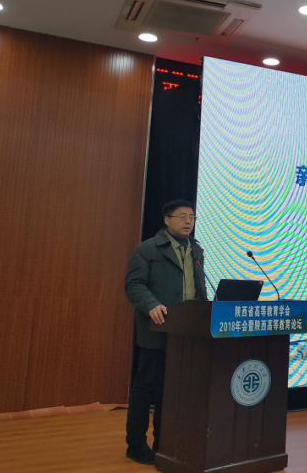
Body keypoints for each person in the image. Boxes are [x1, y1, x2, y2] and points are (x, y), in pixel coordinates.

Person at [124, 199, 209, 465]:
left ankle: (164, 443)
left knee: (171, 390)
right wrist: (151, 305)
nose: (188, 221)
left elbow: (197, 289)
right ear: (167, 220)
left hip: (186, 333)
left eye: (192, 217)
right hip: (157, 329)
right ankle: (136, 445)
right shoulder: (148, 249)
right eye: (182, 216)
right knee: (146, 387)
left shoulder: (196, 250)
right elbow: (134, 284)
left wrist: (207, 312)